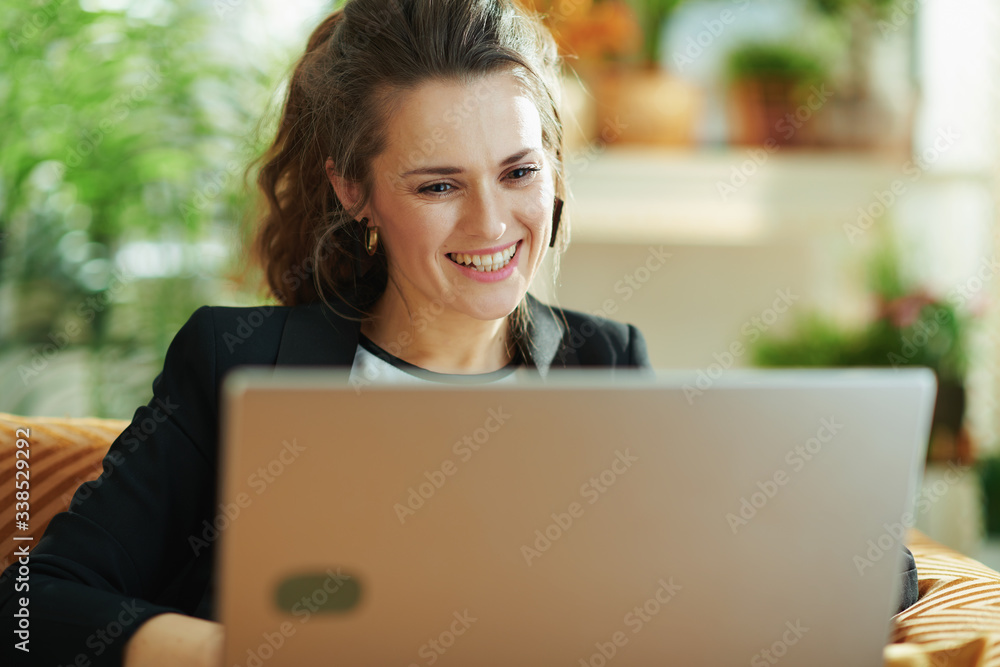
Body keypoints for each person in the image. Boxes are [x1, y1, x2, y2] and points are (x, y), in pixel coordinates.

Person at [0, 0, 916, 664]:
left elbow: (869, 569)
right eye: (438, 185)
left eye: (519, 172)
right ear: (353, 190)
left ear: (554, 167)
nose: (491, 224)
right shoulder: (236, 362)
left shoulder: (603, 364)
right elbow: (30, 611)